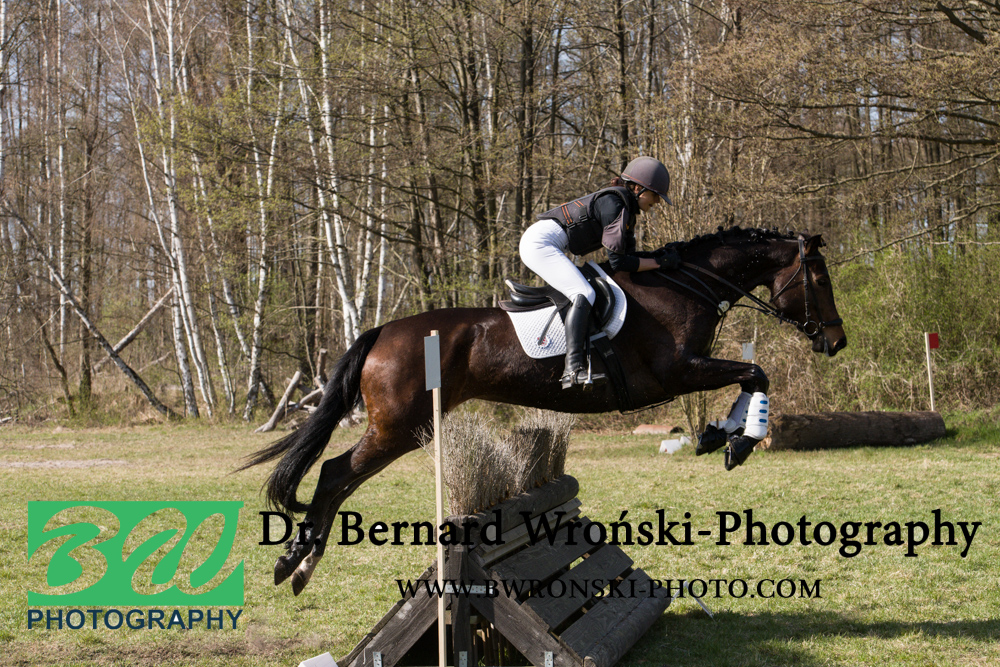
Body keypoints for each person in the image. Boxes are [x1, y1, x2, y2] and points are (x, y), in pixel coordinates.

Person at [519, 156, 680, 389]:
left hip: (549, 242)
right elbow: (618, 262)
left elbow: (629, 257)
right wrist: (658, 263)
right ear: (637, 189)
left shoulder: (625, 208)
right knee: (583, 292)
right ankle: (572, 369)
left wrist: (659, 258)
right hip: (540, 243)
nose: (657, 201)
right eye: (655, 195)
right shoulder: (615, 205)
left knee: (585, 290)